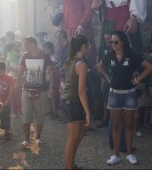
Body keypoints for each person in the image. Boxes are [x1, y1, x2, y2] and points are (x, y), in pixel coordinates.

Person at [98, 31, 152, 165]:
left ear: (123, 42)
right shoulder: (109, 55)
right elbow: (99, 66)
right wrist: (107, 77)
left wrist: (138, 79)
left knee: (128, 125)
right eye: (111, 42)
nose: (113, 44)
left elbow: (149, 67)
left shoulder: (132, 55)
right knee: (116, 125)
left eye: (116, 42)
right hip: (114, 94)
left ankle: (128, 153)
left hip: (129, 93)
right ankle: (116, 154)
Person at [16, 36, 54, 146]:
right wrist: (17, 84)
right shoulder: (25, 56)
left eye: (26, 45)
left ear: (33, 44)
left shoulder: (45, 55)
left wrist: (52, 87)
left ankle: (38, 137)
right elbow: (21, 71)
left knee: (40, 115)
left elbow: (50, 71)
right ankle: (26, 139)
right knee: (26, 114)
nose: (25, 47)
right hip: (27, 89)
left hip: (41, 90)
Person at [61, 35, 91, 170]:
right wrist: (88, 113)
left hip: (68, 101)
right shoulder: (81, 64)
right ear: (83, 47)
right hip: (74, 102)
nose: (89, 47)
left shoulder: (69, 61)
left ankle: (71, 164)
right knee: (72, 139)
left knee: (77, 136)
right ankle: (69, 167)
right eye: (88, 45)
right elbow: (81, 91)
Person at [96, 32, 112, 128]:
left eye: (108, 38)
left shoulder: (116, 46)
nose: (107, 40)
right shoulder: (103, 47)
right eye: (106, 38)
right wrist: (99, 69)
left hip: (115, 76)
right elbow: (98, 57)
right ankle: (105, 119)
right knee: (105, 98)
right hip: (105, 76)